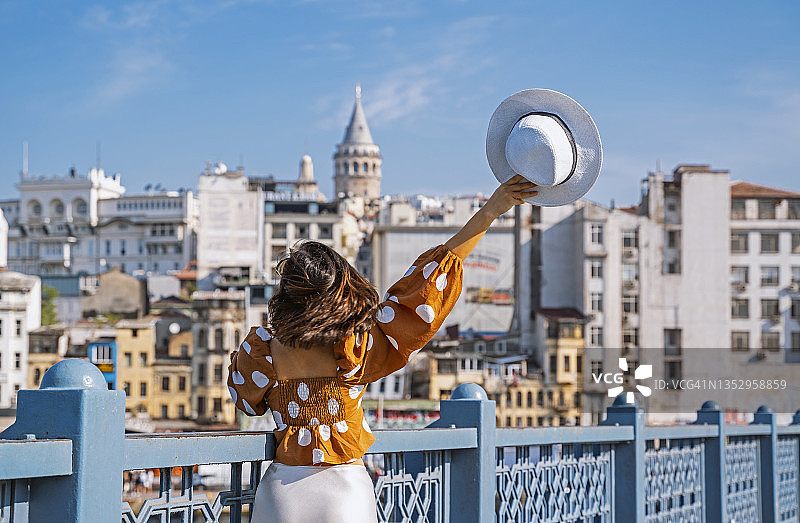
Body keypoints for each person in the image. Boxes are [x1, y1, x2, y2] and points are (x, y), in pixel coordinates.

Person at [228, 175, 538, 522]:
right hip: (345, 490)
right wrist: (492, 209)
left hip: (281, 491)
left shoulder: (261, 352)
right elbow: (430, 282)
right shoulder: (356, 347)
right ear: (339, 288)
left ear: (286, 295)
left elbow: (247, 403)